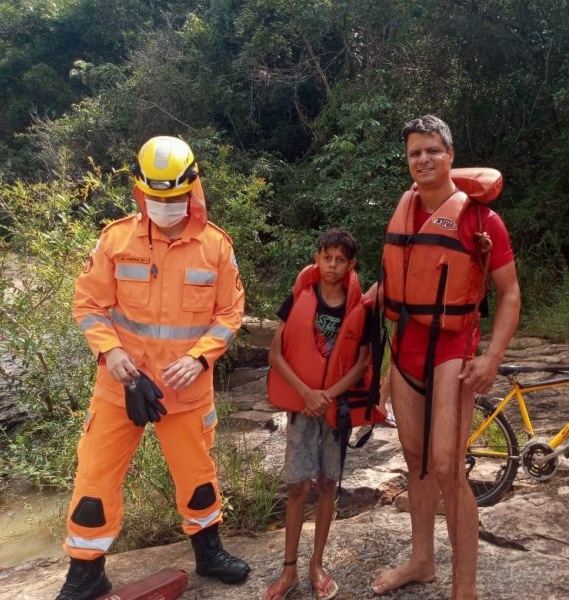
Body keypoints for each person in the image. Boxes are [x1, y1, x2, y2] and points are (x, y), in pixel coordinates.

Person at [57, 136, 250, 600]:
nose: (167, 207)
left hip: (185, 388)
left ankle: (208, 552)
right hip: (119, 384)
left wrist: (198, 356)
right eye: (157, 198)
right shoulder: (115, 239)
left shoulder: (216, 247)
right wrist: (111, 352)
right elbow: (87, 303)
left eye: (176, 197)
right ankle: (85, 574)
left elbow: (230, 313)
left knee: (197, 475)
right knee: (95, 479)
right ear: (141, 192)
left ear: (193, 187)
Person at [371, 115, 521, 599]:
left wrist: (492, 357)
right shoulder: (405, 212)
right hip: (407, 348)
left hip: (453, 351)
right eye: (415, 152)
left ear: (450, 155)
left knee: (445, 465)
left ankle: (466, 587)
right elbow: (394, 286)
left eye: (433, 150)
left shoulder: (483, 220)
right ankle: (421, 561)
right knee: (414, 460)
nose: (424, 159)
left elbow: (510, 293)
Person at [265, 228, 371, 600]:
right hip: (302, 404)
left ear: (351, 264)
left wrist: (327, 395)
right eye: (327, 257)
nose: (332, 265)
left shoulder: (359, 306)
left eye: (341, 260)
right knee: (298, 486)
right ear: (317, 257)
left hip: (334, 409)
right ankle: (289, 570)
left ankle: (317, 563)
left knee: (328, 484)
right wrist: (306, 393)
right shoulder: (299, 296)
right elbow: (276, 354)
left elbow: (361, 363)